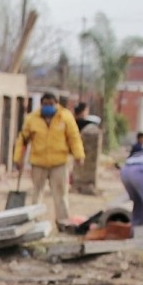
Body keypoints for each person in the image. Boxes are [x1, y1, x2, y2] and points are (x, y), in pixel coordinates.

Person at [13, 92, 85, 223]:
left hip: (59, 163)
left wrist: (79, 155)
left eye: (51, 104)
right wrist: (18, 158)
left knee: (61, 195)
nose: (48, 107)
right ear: (41, 105)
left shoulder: (65, 117)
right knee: (37, 193)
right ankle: (34, 221)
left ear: (56, 104)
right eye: (45, 104)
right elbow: (22, 140)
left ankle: (63, 222)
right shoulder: (32, 119)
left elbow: (74, 137)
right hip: (38, 163)